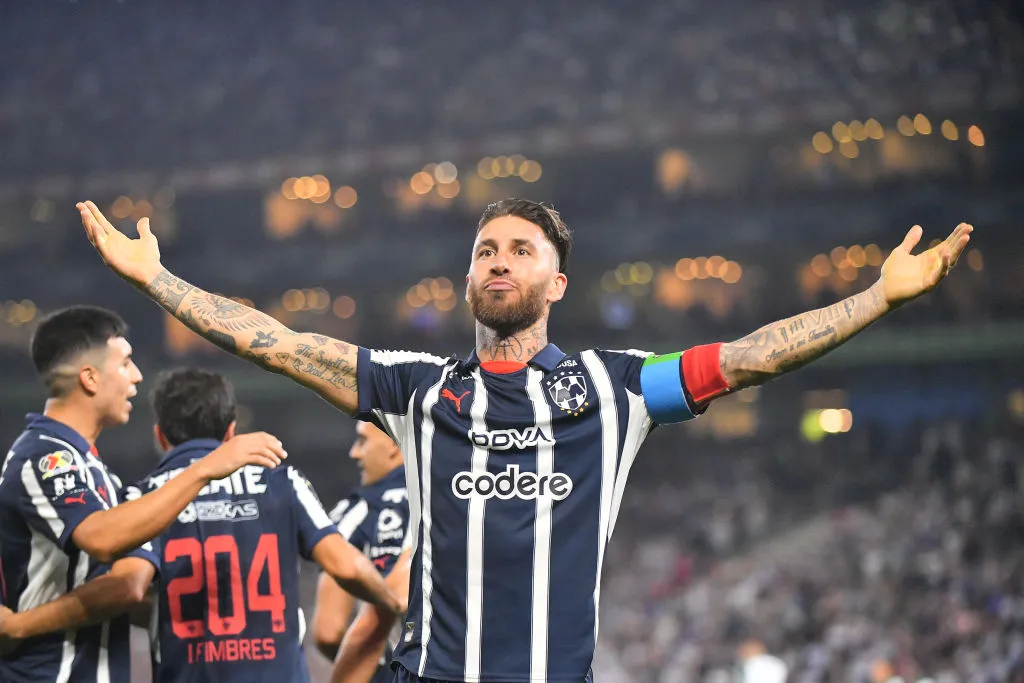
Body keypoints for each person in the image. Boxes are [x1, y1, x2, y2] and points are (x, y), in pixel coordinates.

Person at [77, 198, 972, 683]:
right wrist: (160, 281)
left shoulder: (620, 387)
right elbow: (277, 342)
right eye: (484, 250)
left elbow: (749, 357)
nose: (498, 259)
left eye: (520, 249)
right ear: (468, 280)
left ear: (558, 282)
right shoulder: (417, 387)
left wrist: (875, 298)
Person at [0, 306, 286, 683]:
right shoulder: (44, 457)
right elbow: (102, 538)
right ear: (90, 377)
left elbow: (129, 586)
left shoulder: (95, 471)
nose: (136, 375)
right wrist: (206, 468)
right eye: (125, 363)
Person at [131, 367, 404, 683]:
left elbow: (130, 589)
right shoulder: (283, 483)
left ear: (160, 436)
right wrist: (391, 601)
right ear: (230, 432)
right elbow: (347, 567)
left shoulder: (143, 500)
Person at [311, 420, 411, 683]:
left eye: (363, 441)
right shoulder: (453, 498)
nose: (354, 452)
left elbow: (328, 631)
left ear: (394, 444)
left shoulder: (356, 512)